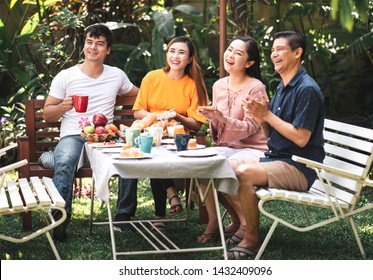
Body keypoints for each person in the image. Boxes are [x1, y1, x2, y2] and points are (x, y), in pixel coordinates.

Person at [224, 31, 325, 259]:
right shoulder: (282, 86)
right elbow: (271, 133)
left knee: (244, 173)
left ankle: (251, 240)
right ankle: (242, 224)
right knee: (221, 168)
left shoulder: (306, 89)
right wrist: (260, 117)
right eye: (272, 50)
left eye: (280, 49)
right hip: (276, 158)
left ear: (297, 53)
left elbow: (301, 138)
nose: (274, 54)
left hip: (300, 166)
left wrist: (266, 114)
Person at [43, 24, 139, 241]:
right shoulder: (66, 76)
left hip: (106, 135)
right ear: (84, 45)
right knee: (65, 161)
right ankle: (60, 218)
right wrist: (62, 107)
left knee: (129, 155)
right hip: (73, 135)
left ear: (108, 50)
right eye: (89, 42)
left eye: (100, 44)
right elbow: (47, 114)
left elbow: (141, 96)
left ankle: (124, 215)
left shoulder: (116, 76)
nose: (93, 47)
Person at [117, 36, 208, 229]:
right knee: (151, 149)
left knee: (155, 155)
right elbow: (138, 111)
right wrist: (157, 117)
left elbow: (197, 124)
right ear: (167, 54)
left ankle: (160, 213)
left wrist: (178, 117)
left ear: (190, 59)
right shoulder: (152, 77)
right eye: (172, 51)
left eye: (182, 52)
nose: (175, 56)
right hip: (151, 134)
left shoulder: (194, 84)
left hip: (178, 140)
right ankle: (171, 194)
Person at [196, 36, 269, 244]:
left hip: (255, 149)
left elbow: (249, 128)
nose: (230, 55)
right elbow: (219, 132)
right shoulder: (218, 85)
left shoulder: (256, 88)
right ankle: (214, 221)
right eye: (229, 50)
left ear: (249, 63)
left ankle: (245, 223)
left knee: (222, 167)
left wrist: (222, 118)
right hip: (229, 146)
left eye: (238, 53)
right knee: (198, 164)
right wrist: (212, 118)